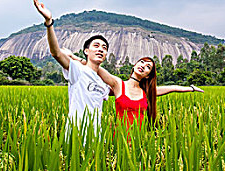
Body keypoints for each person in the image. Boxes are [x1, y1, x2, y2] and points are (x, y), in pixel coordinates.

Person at [32, 0, 111, 129]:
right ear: (86, 51)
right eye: (96, 46)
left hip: (96, 141)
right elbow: (56, 53)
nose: (101, 50)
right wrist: (49, 22)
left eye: (104, 48)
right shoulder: (78, 70)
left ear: (105, 55)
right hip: (76, 137)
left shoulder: (103, 83)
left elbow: (126, 90)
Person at [67, 53, 204, 129]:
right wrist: (75, 58)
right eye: (142, 62)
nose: (143, 66)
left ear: (148, 75)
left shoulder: (147, 92)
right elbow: (95, 67)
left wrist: (191, 88)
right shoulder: (117, 84)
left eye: (148, 67)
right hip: (119, 138)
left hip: (139, 140)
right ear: (135, 65)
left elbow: (173, 88)